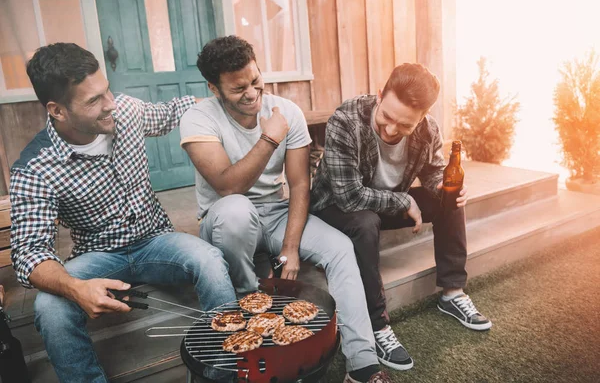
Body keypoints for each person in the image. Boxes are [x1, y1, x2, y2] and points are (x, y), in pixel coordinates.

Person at [9, 43, 237, 383]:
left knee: (210, 260)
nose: (110, 105)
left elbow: (176, 111)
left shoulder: (126, 111)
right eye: (93, 101)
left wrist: (235, 97)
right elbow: (29, 253)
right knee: (49, 308)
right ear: (57, 110)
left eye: (107, 91)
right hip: (97, 256)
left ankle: (224, 373)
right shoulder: (34, 168)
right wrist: (74, 288)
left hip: (157, 241)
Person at [180, 35, 392, 383]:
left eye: (255, 81)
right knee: (236, 210)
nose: (251, 93)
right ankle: (254, 327)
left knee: (340, 248)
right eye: (238, 89)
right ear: (214, 88)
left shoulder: (287, 111)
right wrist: (269, 138)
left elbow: (298, 185)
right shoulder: (199, 119)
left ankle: (362, 363)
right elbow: (228, 185)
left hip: (276, 213)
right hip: (225, 217)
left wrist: (291, 248)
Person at [310, 63, 493, 369]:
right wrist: (403, 200)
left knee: (450, 199)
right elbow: (349, 196)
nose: (392, 130)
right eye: (387, 117)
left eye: (405, 125)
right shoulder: (346, 119)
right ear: (380, 95)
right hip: (335, 206)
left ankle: (452, 291)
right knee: (365, 222)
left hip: (387, 202)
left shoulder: (429, 129)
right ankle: (377, 325)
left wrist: (446, 188)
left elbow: (434, 173)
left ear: (422, 118)